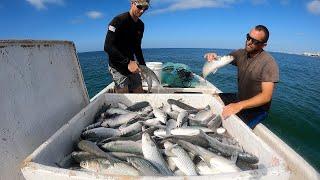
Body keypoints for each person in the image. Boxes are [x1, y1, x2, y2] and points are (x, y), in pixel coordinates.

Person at [204, 25, 279, 129]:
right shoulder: (241, 53)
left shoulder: (269, 63)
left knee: (234, 129)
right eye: (248, 37)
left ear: (263, 45)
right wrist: (212, 55)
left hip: (257, 109)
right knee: (213, 99)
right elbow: (222, 59)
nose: (249, 42)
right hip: (240, 98)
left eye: (255, 41)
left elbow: (266, 96)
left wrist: (239, 106)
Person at [104, 0, 150, 93]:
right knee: (123, 97)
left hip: (132, 65)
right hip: (117, 65)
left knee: (139, 92)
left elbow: (137, 48)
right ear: (132, 3)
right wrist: (127, 62)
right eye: (140, 7)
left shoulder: (141, 25)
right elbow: (108, 46)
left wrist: (143, 67)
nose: (142, 11)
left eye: (145, 8)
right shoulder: (118, 20)